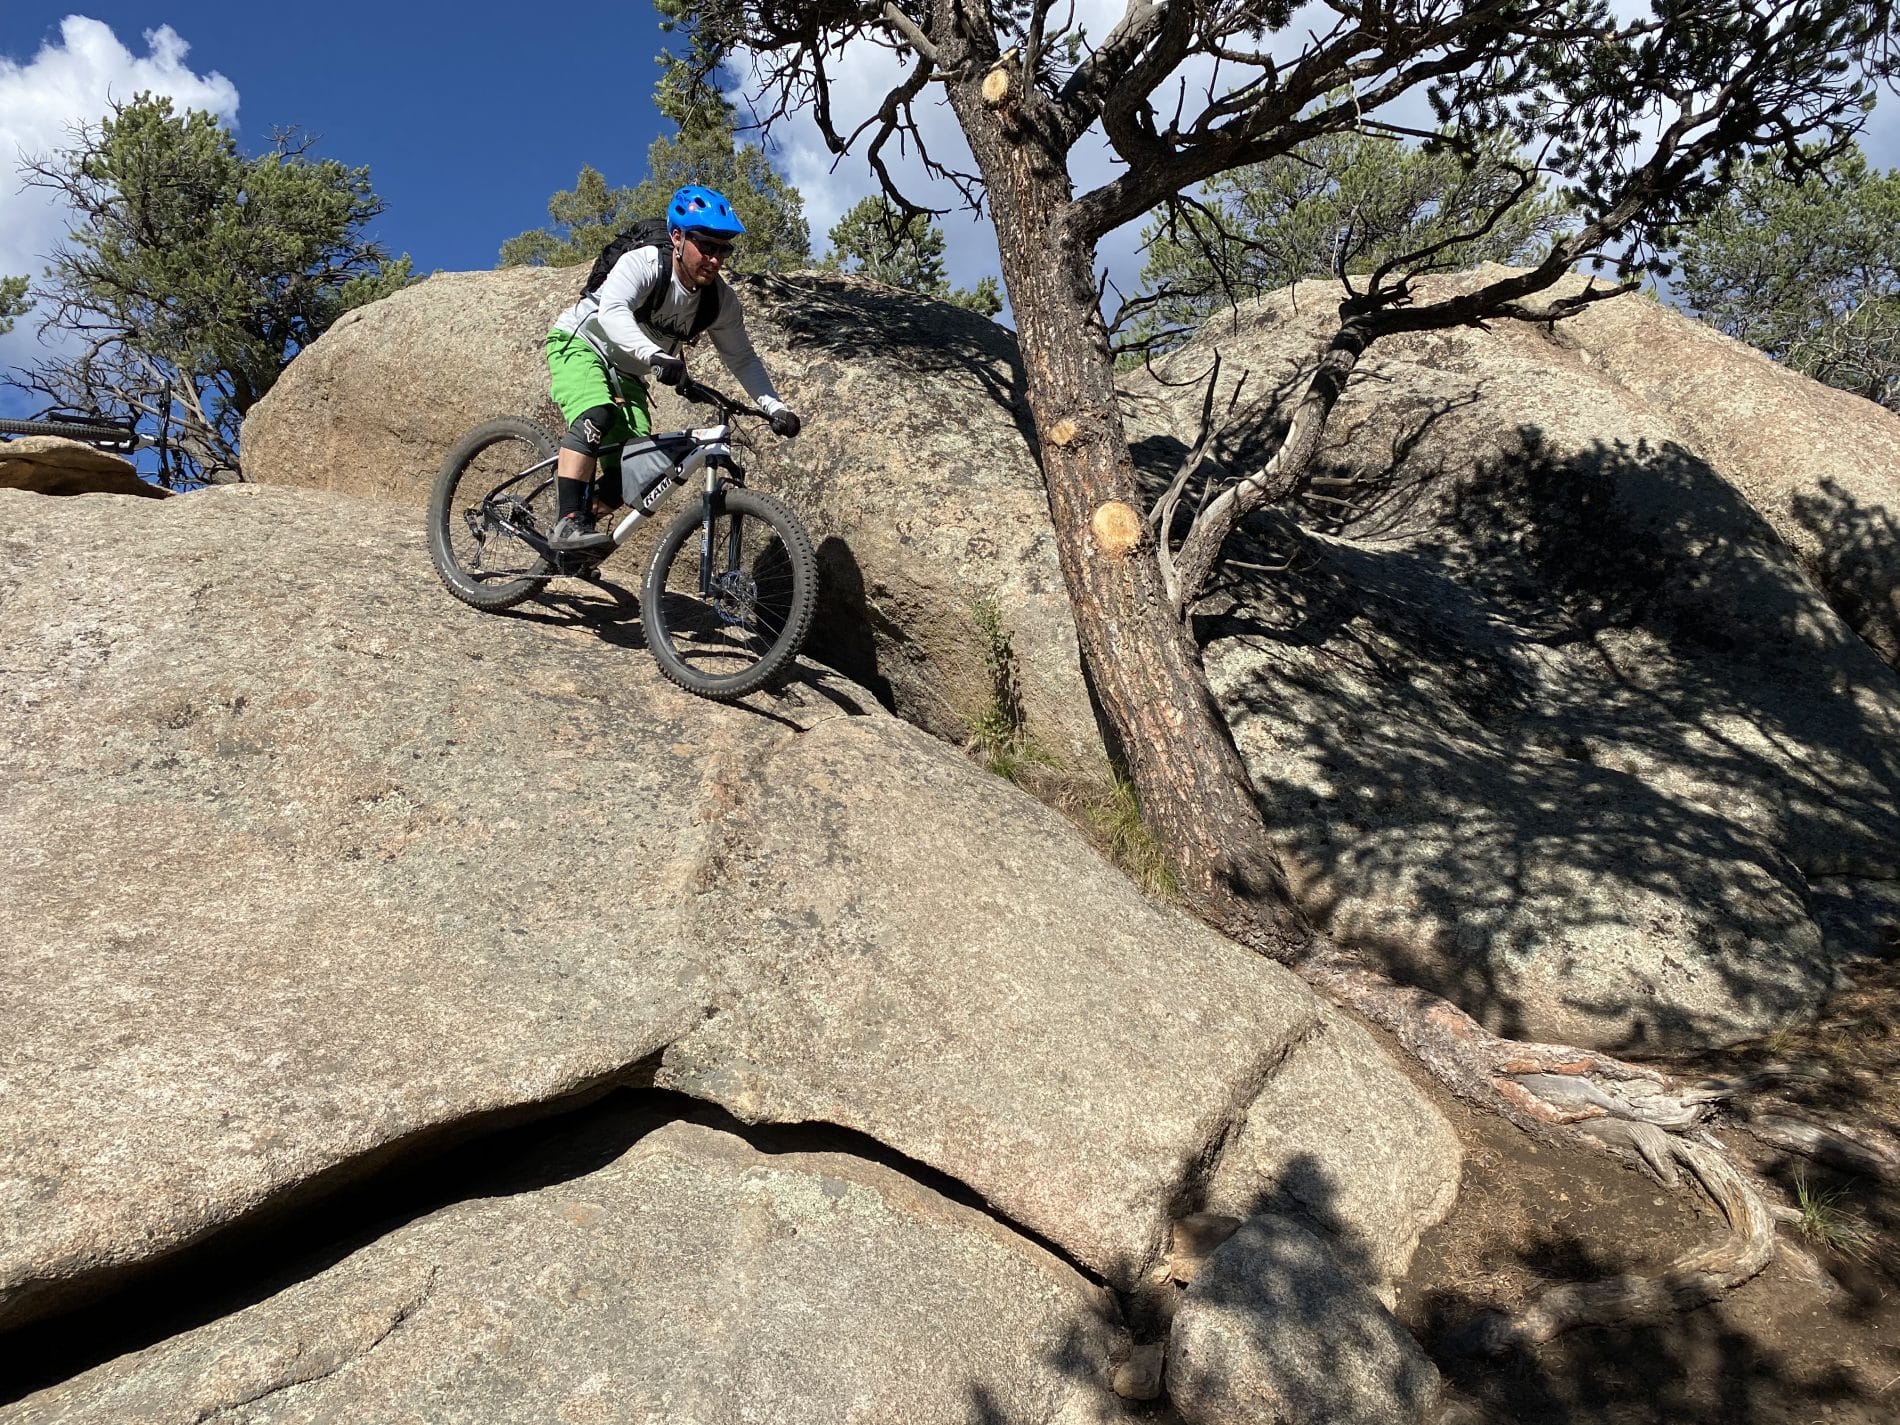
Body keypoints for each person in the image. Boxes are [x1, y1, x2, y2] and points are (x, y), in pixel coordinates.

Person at [543, 184, 803, 551]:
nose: (714, 259)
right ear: (677, 237)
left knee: (636, 474)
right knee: (595, 413)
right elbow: (612, 311)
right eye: (707, 246)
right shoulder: (646, 263)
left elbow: (742, 358)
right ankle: (567, 525)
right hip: (583, 345)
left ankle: (579, 535)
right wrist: (657, 356)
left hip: (629, 374)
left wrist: (774, 407)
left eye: (723, 250)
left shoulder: (719, 301)